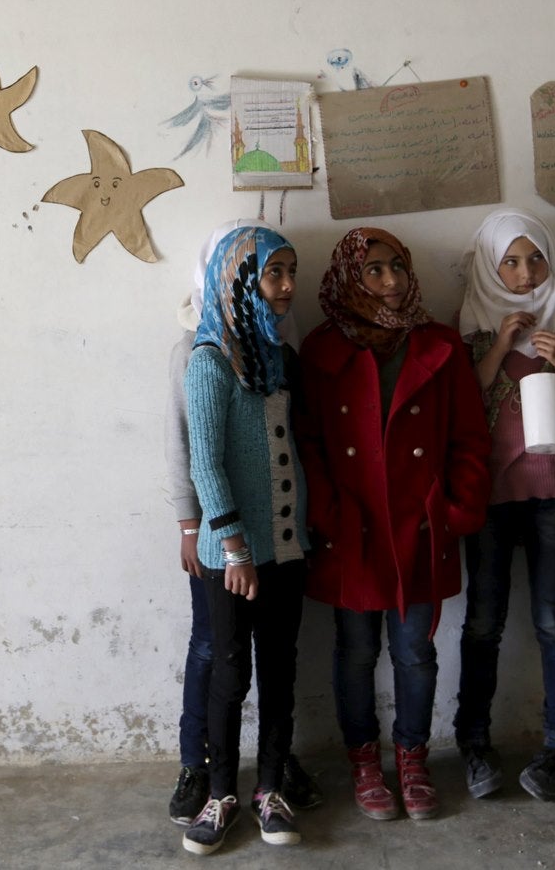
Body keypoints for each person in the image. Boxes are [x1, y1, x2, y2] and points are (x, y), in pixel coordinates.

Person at [296, 227, 490, 821]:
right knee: (355, 651)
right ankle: (363, 761)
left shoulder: (439, 344)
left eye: (397, 268)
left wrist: (454, 510)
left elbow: (468, 436)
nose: (388, 281)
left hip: (419, 526)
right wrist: (327, 512)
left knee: (415, 653)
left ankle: (411, 758)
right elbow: (310, 444)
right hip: (351, 528)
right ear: (350, 277)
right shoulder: (321, 348)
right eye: (374, 270)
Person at [164, 221, 323, 828]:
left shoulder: (278, 356)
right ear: (237, 278)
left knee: (280, 670)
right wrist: (233, 548)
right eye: (273, 273)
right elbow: (204, 460)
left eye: (291, 273)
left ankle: (272, 788)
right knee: (230, 674)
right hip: (232, 556)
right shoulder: (208, 360)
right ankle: (221, 792)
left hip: (285, 546)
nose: (286, 286)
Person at [451, 209, 555, 801]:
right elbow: (461, 410)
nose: (524, 273)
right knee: (484, 623)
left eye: (534, 259)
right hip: (490, 494)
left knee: (554, 622)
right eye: (510, 261)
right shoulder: (467, 324)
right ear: (490, 264)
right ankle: (473, 743)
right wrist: (499, 349)